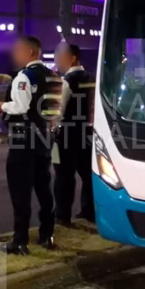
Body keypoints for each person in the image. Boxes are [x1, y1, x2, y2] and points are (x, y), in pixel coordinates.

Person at [0, 36, 56, 255]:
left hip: (23, 140)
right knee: (44, 189)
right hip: (44, 137)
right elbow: (55, 111)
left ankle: (20, 241)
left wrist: (2, 105)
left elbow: (20, 106)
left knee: (20, 192)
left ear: (31, 52)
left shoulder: (24, 76)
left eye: (18, 50)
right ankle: (47, 235)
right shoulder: (55, 77)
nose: (15, 54)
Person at [53, 43, 96, 226]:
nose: (57, 61)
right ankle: (89, 211)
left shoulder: (67, 81)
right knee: (89, 175)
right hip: (88, 132)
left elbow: (58, 111)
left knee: (64, 176)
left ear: (72, 58)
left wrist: (53, 130)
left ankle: (63, 216)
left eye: (60, 56)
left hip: (67, 135)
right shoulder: (93, 79)